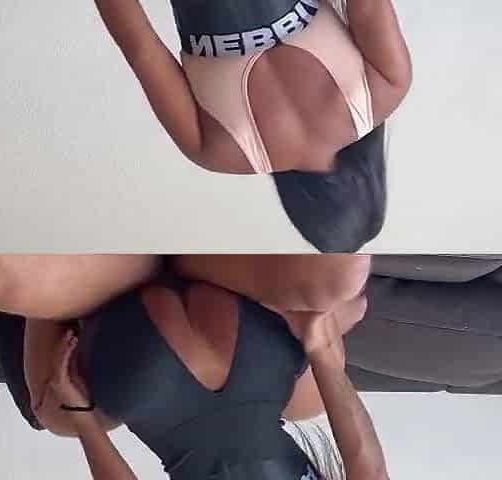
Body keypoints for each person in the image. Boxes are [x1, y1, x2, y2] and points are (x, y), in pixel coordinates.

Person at [93, 0, 412, 252]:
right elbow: (140, 47)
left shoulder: (388, 86)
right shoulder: (216, 152)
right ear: (300, 206)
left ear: (370, 180)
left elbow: (366, 5)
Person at [29, 279, 387, 480]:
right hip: (142, 371)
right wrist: (81, 415)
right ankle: (54, 281)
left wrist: (322, 350)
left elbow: (366, 463)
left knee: (347, 306)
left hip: (255, 347)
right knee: (57, 414)